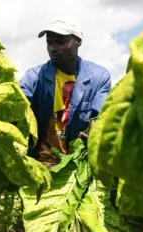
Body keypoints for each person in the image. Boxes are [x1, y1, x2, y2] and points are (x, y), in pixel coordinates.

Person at [19, 18, 112, 168]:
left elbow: (101, 116)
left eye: (61, 42)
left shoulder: (99, 77)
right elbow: (17, 104)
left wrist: (95, 132)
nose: (53, 48)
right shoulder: (34, 76)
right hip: (41, 162)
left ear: (78, 42)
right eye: (49, 43)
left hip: (78, 163)